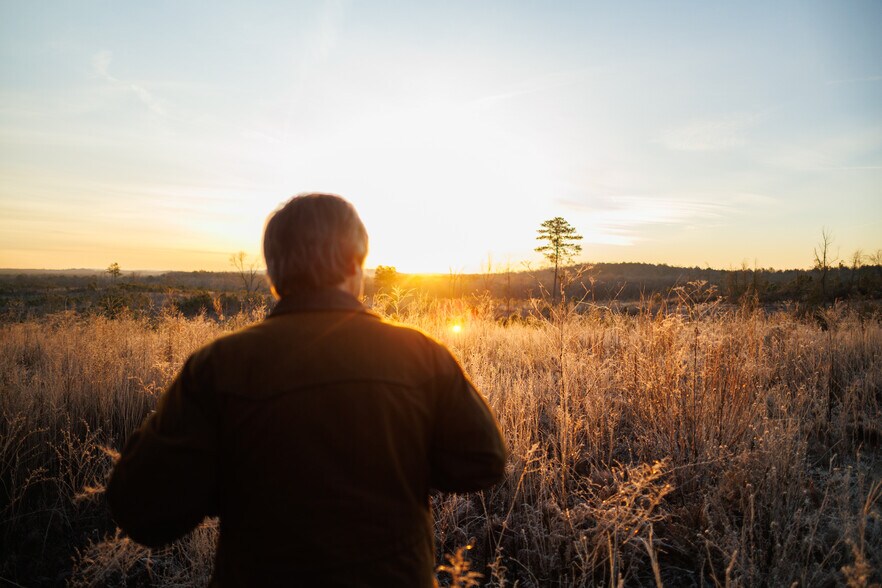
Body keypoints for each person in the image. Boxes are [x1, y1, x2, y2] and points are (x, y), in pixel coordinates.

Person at [106, 193, 507, 587]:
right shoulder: (421, 355)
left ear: (274, 273)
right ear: (354, 263)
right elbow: (484, 462)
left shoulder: (217, 367)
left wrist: (222, 483)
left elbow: (139, 508)